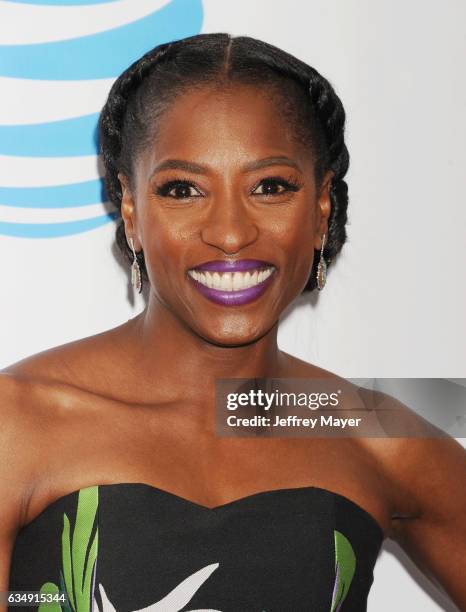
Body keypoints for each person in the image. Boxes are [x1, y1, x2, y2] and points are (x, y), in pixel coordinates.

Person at [1, 33, 465, 611]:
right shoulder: (16, 424)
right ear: (130, 210)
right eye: (182, 189)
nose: (229, 232)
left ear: (322, 210)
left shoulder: (376, 438)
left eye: (270, 187)